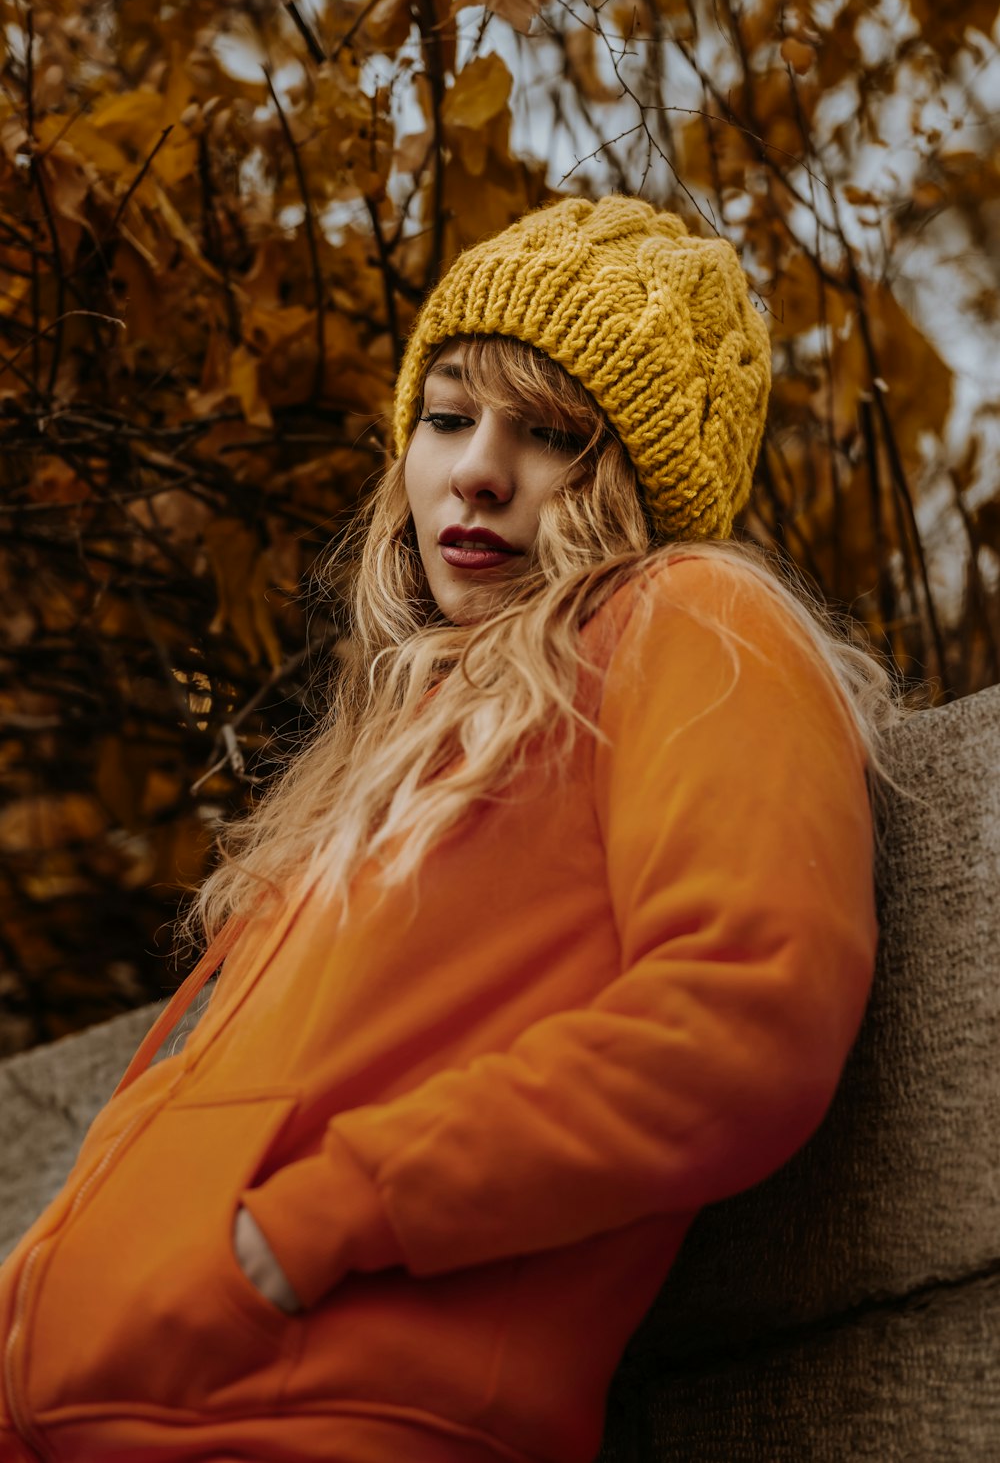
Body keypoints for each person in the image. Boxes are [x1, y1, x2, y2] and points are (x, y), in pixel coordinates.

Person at [0, 195, 897, 1463]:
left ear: (633, 478)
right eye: (447, 417)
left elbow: (742, 1007)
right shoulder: (391, 739)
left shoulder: (686, 622)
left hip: (322, 1419)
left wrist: (321, 1221)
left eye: (550, 435)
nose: (476, 468)